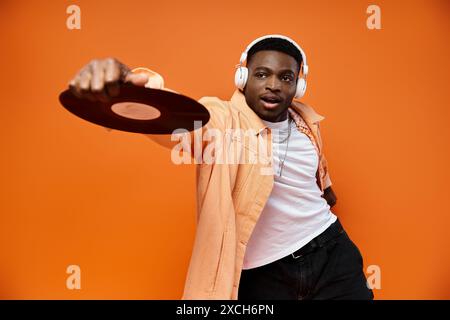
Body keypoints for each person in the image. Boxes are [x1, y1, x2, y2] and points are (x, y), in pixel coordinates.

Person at [68, 34, 374, 300]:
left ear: (299, 85)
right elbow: (182, 122)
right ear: (243, 79)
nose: (273, 85)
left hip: (331, 252)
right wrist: (134, 89)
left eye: (285, 77)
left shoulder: (305, 120)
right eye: (262, 74)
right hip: (264, 275)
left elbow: (314, 167)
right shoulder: (224, 120)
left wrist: (327, 190)